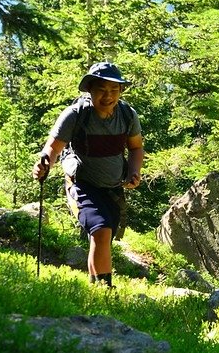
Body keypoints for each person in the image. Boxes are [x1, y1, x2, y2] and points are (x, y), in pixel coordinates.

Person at [32, 61, 144, 287]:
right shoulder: (75, 115)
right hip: (81, 185)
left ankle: (97, 287)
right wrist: (44, 164)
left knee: (105, 236)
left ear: (121, 91)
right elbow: (53, 148)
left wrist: (134, 172)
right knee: (100, 231)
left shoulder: (127, 115)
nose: (108, 96)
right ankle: (105, 290)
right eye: (102, 90)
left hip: (112, 187)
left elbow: (135, 147)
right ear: (90, 89)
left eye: (114, 90)